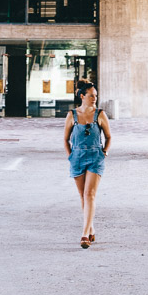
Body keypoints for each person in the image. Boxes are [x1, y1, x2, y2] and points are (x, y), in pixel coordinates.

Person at [64, 80, 112, 249]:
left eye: (96, 96)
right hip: (77, 157)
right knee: (83, 196)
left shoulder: (100, 114)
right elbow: (65, 139)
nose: (94, 98)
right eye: (91, 95)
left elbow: (108, 136)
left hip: (95, 157)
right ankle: (91, 228)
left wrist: (103, 152)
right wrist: (71, 156)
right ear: (82, 96)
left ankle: (84, 235)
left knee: (89, 194)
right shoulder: (72, 115)